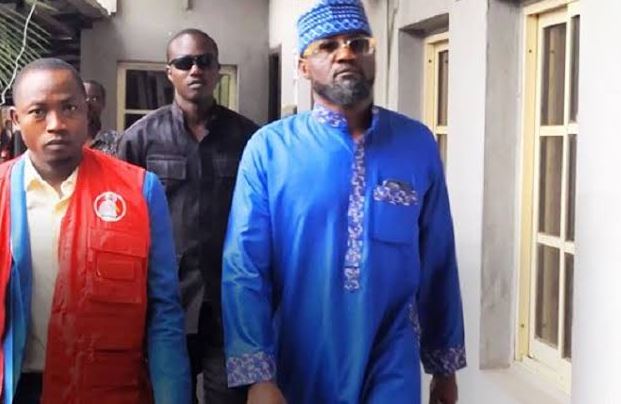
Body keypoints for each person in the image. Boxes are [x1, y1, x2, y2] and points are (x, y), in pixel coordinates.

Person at [221, 1, 466, 403]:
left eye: (358, 43)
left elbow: (437, 258)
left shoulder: (416, 143)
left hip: (392, 358)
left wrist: (444, 366)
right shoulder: (269, 149)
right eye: (328, 46)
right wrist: (258, 376)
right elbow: (245, 267)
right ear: (303, 66)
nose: (346, 53)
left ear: (373, 55)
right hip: (299, 359)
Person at [0, 58, 191, 403]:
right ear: (15, 119)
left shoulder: (139, 191)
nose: (56, 124)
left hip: (105, 392)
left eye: (69, 108)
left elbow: (163, 313)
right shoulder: (3, 192)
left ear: (87, 111)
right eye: (38, 112)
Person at [118, 29, 258, 404]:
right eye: (184, 62)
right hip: (165, 303)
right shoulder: (139, 139)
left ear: (217, 70)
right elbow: (121, 226)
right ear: (170, 72)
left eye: (204, 61)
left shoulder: (249, 138)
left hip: (228, 304)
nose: (195, 69)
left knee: (229, 398)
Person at [83, 79, 121, 155]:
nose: (88, 103)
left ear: (103, 104)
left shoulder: (117, 142)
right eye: (83, 97)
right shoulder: (65, 141)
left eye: (94, 99)